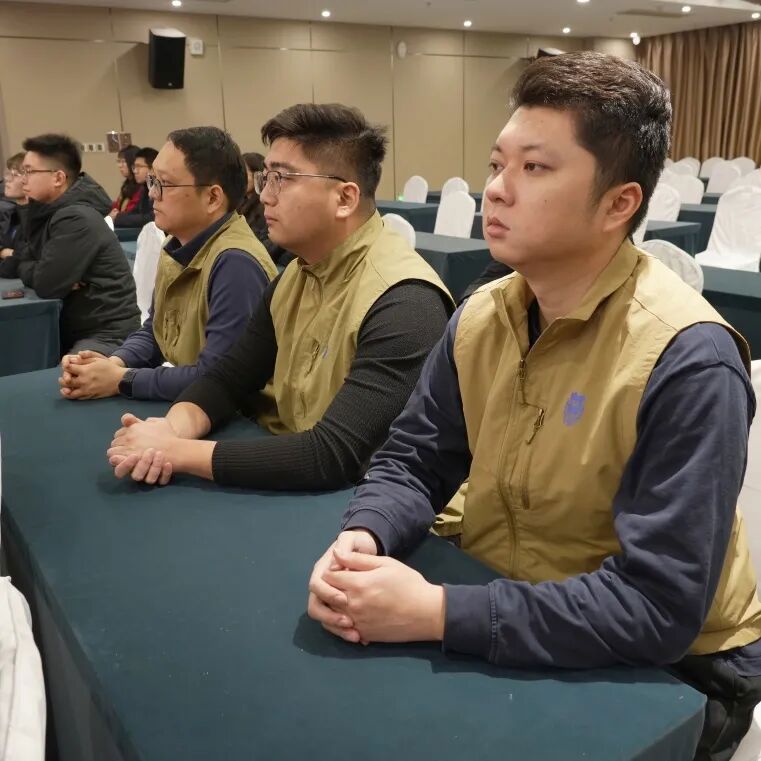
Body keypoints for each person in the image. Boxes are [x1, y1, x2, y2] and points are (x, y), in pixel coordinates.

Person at [307, 53, 761, 761]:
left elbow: (657, 607)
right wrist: (366, 534)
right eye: (496, 165)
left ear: (618, 204)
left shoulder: (689, 358)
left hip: (676, 666)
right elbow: (415, 457)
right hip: (509, 590)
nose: (496, 189)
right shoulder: (480, 314)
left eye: (534, 168)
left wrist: (436, 611)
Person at [105, 103, 453, 491]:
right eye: (265, 178)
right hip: (293, 472)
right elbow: (228, 378)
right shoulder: (295, 275)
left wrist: (177, 451)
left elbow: (332, 456)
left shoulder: (405, 302)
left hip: (357, 502)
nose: (265, 197)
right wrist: (169, 430)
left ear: (344, 198)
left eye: (282, 179)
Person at [59, 126, 278, 402]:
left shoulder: (236, 263)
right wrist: (114, 363)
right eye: (152, 181)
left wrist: (121, 380)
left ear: (212, 198)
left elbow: (218, 378)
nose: (152, 193)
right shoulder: (175, 245)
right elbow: (156, 330)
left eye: (165, 183)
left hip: (240, 416)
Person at [14, 134, 139, 355]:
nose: (23, 179)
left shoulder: (75, 217)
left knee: (61, 372)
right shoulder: (47, 212)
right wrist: (37, 267)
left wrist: (37, 268)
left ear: (58, 178)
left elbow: (46, 284)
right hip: (79, 328)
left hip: (108, 334)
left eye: (29, 171)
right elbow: (23, 258)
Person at [238, 151, 293, 268]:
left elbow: (270, 244)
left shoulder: (264, 207)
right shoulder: (240, 203)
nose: (264, 197)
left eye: (244, 174)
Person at [111, 147, 158, 229]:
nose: (135, 171)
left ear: (152, 168)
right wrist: (115, 216)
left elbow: (152, 217)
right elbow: (135, 212)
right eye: (134, 167)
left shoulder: (160, 188)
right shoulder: (145, 188)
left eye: (139, 166)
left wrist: (117, 218)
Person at [0, 152, 28, 276]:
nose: (7, 179)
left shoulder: (35, 215)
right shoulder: (14, 214)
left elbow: (14, 266)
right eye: (8, 173)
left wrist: (7, 254)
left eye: (15, 175)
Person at [109, 144, 141, 217]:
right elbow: (116, 206)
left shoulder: (142, 186)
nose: (120, 166)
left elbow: (132, 212)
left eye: (123, 162)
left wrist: (117, 215)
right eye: (118, 161)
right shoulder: (127, 185)